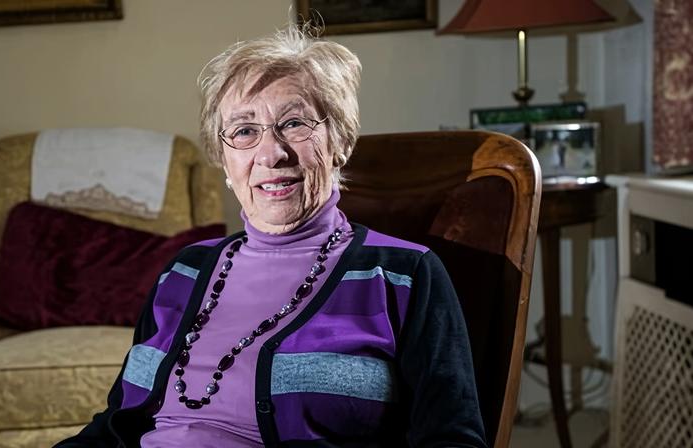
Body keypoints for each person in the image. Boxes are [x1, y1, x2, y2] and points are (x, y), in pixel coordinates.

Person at [56, 25, 486, 448]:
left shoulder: (402, 275)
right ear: (224, 160)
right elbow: (116, 426)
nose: (272, 153)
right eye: (244, 131)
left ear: (340, 141)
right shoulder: (185, 270)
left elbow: (451, 438)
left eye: (294, 123)